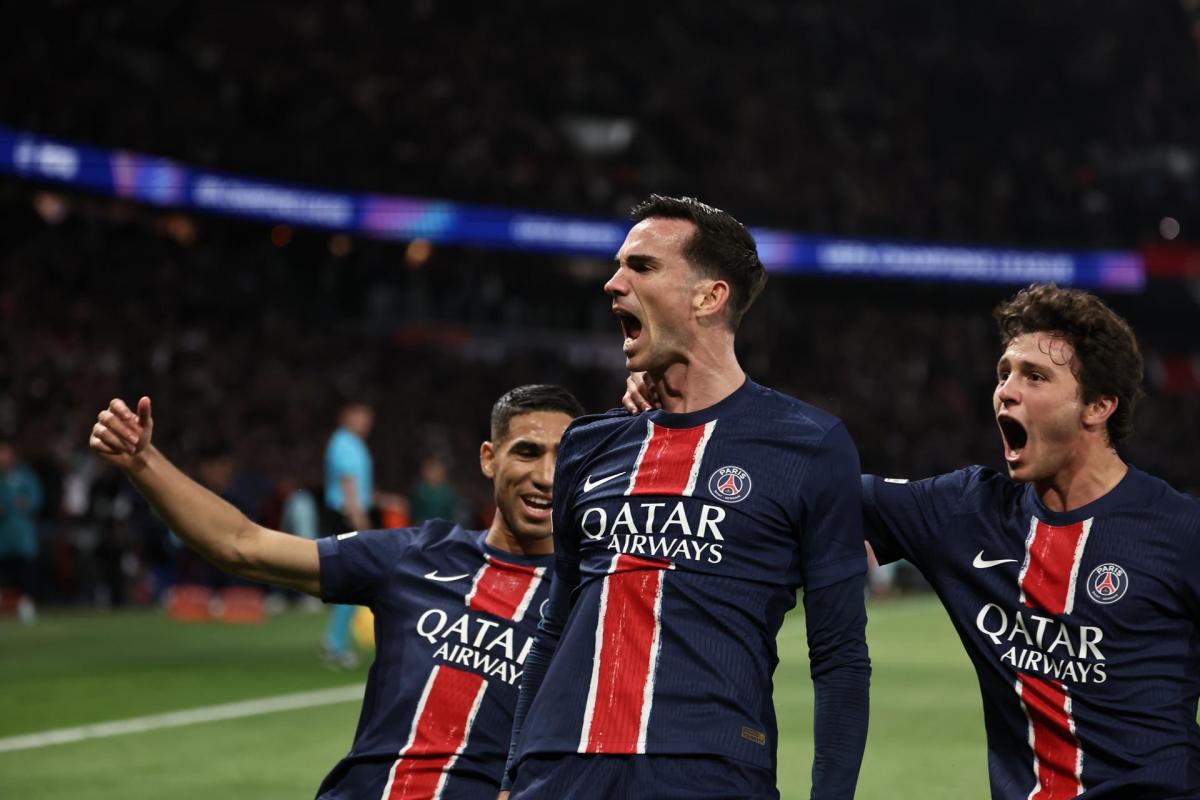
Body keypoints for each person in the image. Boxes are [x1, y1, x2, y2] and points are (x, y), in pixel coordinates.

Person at [502, 196, 870, 799]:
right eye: (619, 265)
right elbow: (556, 623)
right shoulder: (589, 444)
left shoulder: (808, 444)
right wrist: (514, 768)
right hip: (558, 764)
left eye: (641, 267)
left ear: (708, 297)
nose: (612, 282)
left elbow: (839, 658)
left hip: (709, 768)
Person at [89, 384, 585, 799]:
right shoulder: (417, 553)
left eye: (562, 458)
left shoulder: (592, 599)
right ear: (489, 458)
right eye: (527, 451)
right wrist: (143, 463)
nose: (544, 475)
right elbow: (242, 543)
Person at [860, 285, 1200, 799]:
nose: (1006, 390)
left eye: (1035, 376)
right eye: (1004, 373)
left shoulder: (1180, 532)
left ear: (1098, 406)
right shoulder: (966, 513)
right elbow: (818, 487)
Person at [322, 402, 378, 667]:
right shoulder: (343, 443)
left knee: (354, 581)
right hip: (345, 515)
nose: (365, 422)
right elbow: (347, 484)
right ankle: (335, 643)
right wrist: (360, 522)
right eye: (360, 416)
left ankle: (335, 640)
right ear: (347, 416)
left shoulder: (354, 443)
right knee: (353, 581)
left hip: (349, 513)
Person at [0, 439, 43, 625]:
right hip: (3, 538)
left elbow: (35, 500)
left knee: (25, 575)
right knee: (4, 575)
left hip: (23, 537)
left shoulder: (25, 477)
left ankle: (26, 608)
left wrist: (23, 504)